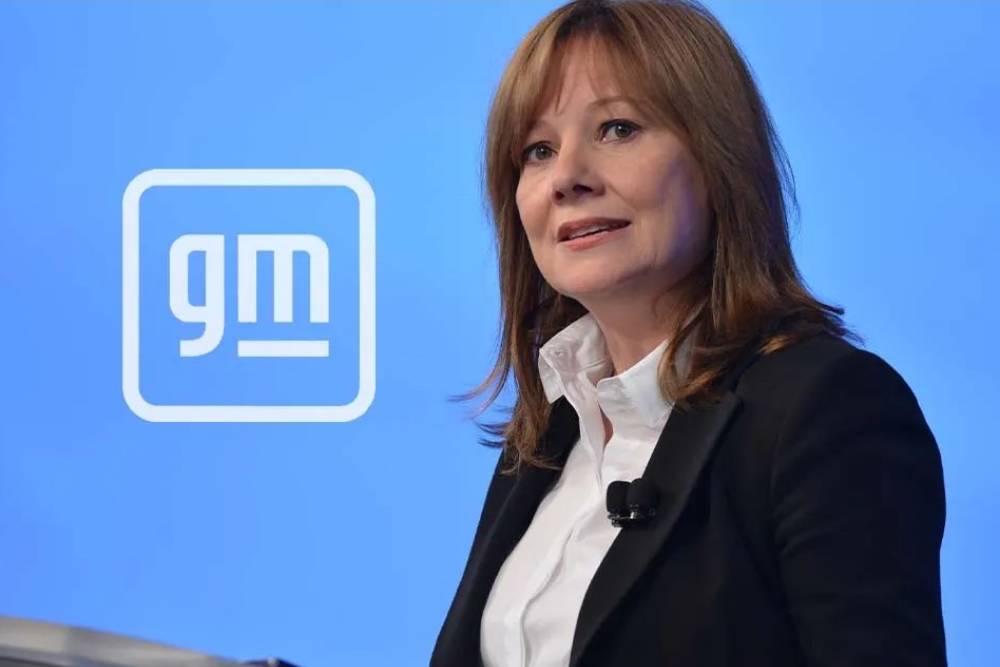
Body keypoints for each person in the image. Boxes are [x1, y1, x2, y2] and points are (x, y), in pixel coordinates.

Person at [431, 1, 947, 665]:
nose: (567, 178)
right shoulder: (547, 433)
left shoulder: (827, 410)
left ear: (717, 158)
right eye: (538, 150)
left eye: (618, 128)